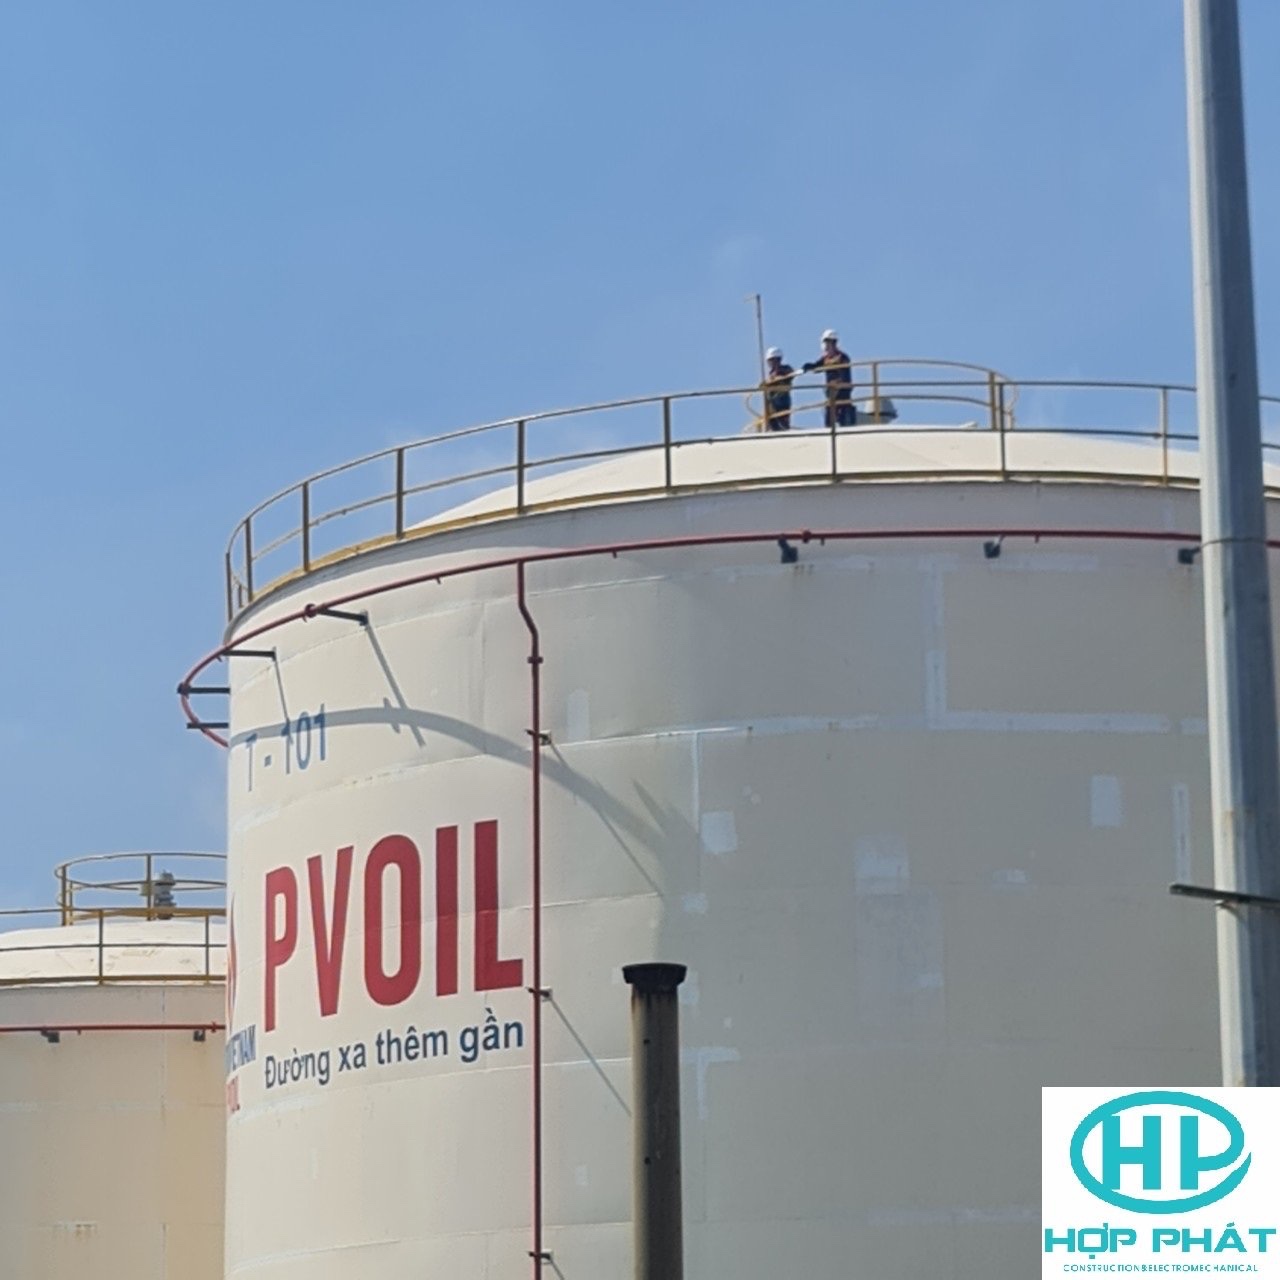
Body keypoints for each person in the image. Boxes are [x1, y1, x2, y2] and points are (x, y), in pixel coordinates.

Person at [802, 329, 856, 427]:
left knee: (843, 414)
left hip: (842, 391)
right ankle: (829, 430)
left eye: (828, 343)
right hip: (832, 392)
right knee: (829, 414)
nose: (826, 346)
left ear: (833, 343)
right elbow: (817, 366)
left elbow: (845, 376)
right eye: (825, 343)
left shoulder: (842, 357)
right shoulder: (826, 358)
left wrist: (838, 385)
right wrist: (809, 367)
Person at [763, 347, 794, 431]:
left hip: (782, 400)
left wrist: (778, 377)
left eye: (772, 360)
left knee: (783, 421)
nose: (770, 363)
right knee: (772, 421)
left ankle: (784, 432)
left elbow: (790, 374)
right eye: (769, 361)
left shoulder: (785, 369)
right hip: (772, 402)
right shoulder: (771, 374)